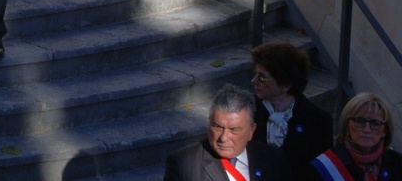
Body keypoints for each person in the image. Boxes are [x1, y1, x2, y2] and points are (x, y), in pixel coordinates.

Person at [164, 84, 291, 181]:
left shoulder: (273, 158)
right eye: (217, 127)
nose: (224, 138)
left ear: (251, 131)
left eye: (234, 130)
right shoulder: (184, 163)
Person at [250, 42, 332, 180]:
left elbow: (320, 173)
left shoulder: (318, 121)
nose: (254, 81)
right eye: (255, 74)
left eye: (262, 77)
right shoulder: (245, 110)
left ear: (286, 85)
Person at [308, 92, 402, 180]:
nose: (366, 129)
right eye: (359, 121)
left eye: (375, 123)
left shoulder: (397, 164)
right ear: (347, 125)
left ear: (385, 130)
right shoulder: (325, 166)